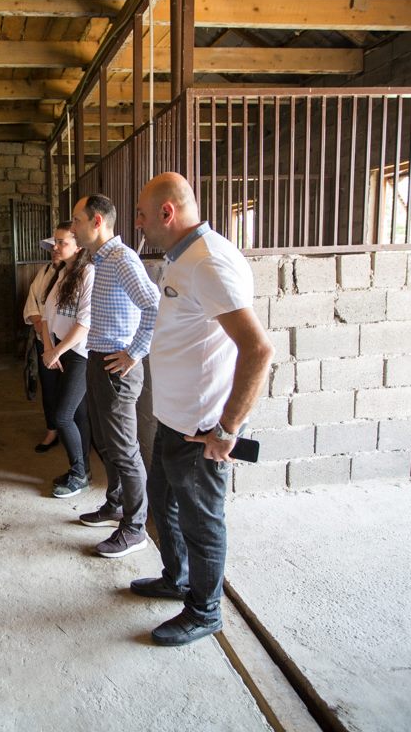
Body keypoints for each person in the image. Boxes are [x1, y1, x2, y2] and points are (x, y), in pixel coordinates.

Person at [131, 172, 273, 646]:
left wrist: (227, 429)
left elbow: (258, 350)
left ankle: (205, 610)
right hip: (173, 419)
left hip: (201, 428)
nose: (139, 224)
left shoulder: (208, 262)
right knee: (163, 501)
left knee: (201, 521)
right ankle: (177, 578)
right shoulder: (182, 258)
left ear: (167, 212)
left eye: (143, 216)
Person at [69, 194, 160, 558]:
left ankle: (135, 528)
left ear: (97, 222)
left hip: (117, 366)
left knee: (123, 448)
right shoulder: (100, 260)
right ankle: (116, 505)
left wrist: (134, 353)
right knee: (107, 443)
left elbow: (153, 305)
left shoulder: (122, 259)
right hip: (99, 358)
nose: (73, 227)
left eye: (77, 220)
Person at [40, 222, 95, 498]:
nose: (56, 247)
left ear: (78, 246)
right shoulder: (61, 273)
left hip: (79, 354)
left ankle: (78, 474)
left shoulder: (88, 273)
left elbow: (84, 323)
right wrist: (49, 348)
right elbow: (45, 317)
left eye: (62, 242)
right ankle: (83, 470)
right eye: (56, 242)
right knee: (78, 414)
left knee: (62, 416)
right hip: (61, 351)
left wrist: (57, 351)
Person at [21, 239, 65, 453]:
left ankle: (73, 433)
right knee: (49, 387)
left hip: (69, 344)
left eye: (59, 246)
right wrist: (41, 327)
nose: (54, 251)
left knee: (71, 390)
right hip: (44, 342)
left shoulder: (78, 273)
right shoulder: (44, 273)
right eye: (51, 248)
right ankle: (52, 430)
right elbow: (32, 304)